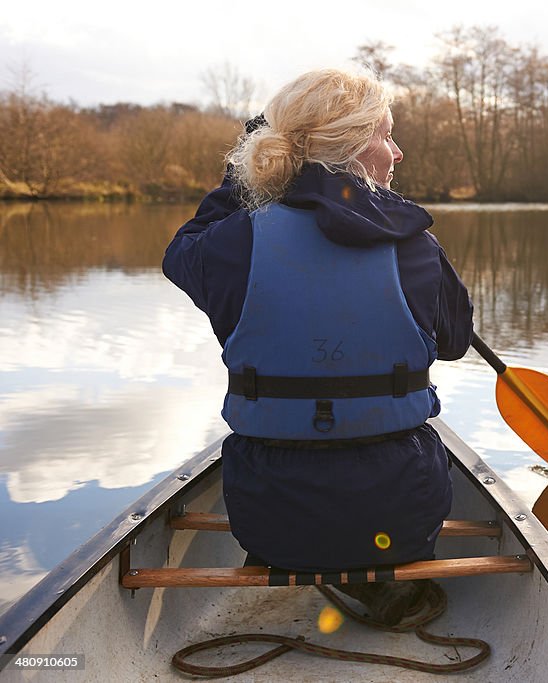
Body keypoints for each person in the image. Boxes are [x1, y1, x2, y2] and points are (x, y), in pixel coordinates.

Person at [162, 68, 474, 624]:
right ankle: (381, 584)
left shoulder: (228, 247)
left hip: (269, 521)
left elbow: (181, 249)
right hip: (403, 518)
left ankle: (341, 571)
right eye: (386, 135)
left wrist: (251, 167)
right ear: (353, 147)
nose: (397, 153)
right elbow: (452, 343)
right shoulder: (418, 248)